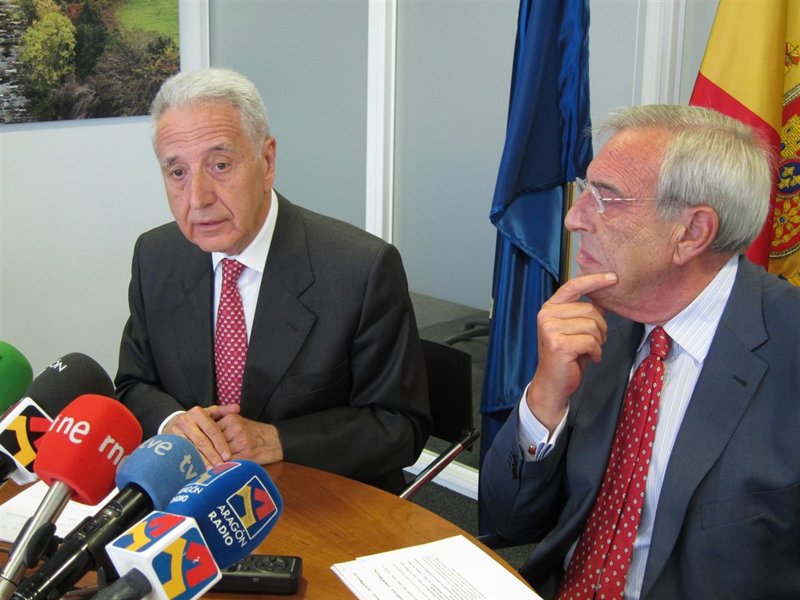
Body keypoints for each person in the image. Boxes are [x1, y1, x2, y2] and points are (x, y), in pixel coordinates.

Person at [480, 104, 800, 599]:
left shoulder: (787, 345)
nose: (572, 218)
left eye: (605, 198)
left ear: (692, 232)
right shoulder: (596, 318)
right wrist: (544, 400)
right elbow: (507, 521)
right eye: (586, 190)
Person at [115, 68, 430, 494]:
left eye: (220, 165)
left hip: (322, 501)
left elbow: (400, 426)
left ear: (267, 162)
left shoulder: (360, 269)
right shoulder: (156, 256)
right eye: (177, 173)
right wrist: (173, 421)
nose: (198, 198)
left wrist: (279, 440)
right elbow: (133, 384)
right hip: (197, 499)